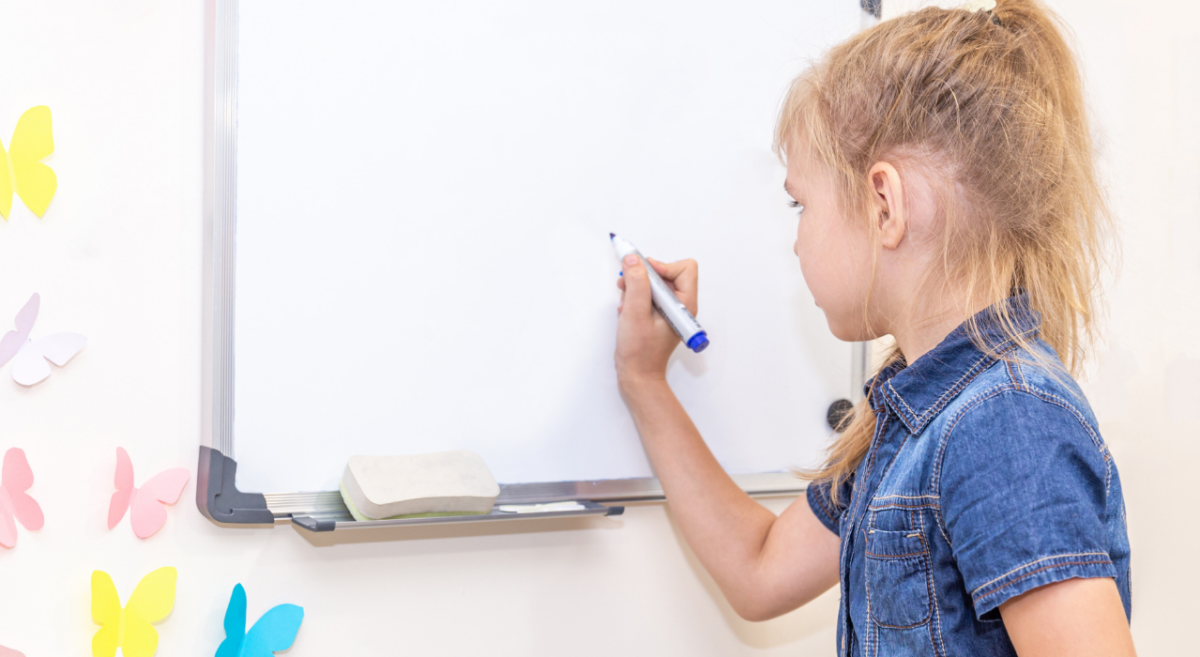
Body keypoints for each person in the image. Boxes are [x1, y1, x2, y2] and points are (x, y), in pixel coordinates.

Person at [612, 1, 1135, 655]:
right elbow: (760, 567)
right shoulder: (911, 417)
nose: (795, 241)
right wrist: (643, 379)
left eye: (801, 203)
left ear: (884, 204)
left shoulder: (1006, 422)